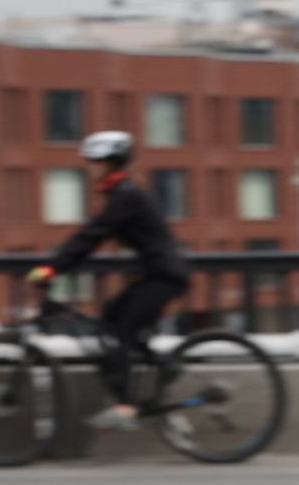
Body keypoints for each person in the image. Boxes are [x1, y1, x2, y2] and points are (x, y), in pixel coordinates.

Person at [27, 130, 188, 431]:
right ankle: (163, 365)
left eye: (95, 162)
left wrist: (52, 268)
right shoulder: (124, 194)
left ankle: (126, 406)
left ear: (110, 163)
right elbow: (95, 234)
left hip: (164, 277)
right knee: (111, 315)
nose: (90, 168)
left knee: (122, 332)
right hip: (160, 274)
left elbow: (91, 235)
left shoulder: (125, 196)